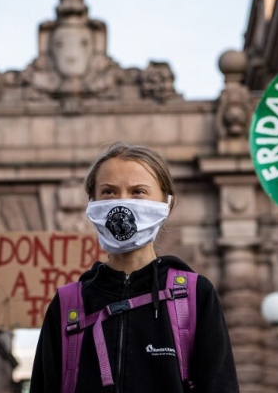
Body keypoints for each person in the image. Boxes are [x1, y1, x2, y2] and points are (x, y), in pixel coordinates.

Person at [30, 142, 239, 393]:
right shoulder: (67, 304)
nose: (122, 202)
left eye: (138, 191)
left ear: (167, 204)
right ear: (92, 203)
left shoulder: (195, 295)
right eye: (108, 192)